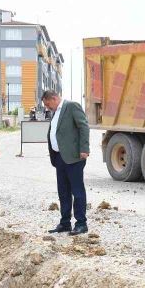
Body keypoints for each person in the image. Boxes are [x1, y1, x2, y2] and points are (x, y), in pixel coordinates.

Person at [42, 90, 90, 235]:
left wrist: (84, 148)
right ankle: (65, 223)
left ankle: (81, 224)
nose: (47, 107)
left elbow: (83, 126)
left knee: (77, 191)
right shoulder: (56, 112)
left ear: (55, 98)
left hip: (74, 157)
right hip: (59, 158)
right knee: (63, 192)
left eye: (48, 104)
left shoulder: (71, 106)